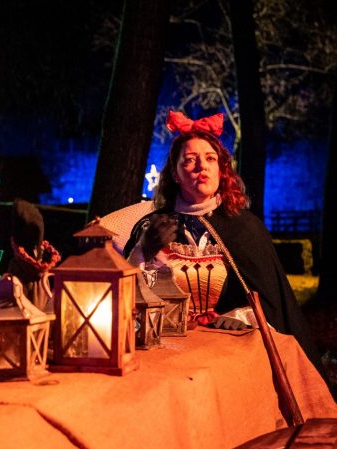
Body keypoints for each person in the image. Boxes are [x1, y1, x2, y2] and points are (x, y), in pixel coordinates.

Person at [123, 110, 322, 370]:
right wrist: (140, 253)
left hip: (230, 345)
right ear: (174, 173)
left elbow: (271, 301)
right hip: (165, 344)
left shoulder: (245, 228)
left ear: (221, 168)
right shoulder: (153, 226)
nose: (201, 166)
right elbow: (124, 300)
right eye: (190, 160)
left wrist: (241, 314)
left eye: (210, 158)